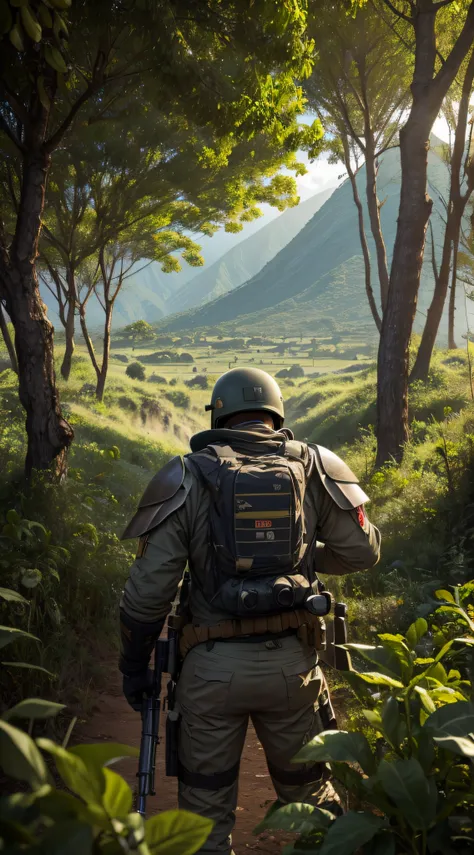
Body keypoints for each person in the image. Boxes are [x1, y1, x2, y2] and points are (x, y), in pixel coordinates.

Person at [119, 367, 381, 854]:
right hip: (292, 669)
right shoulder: (315, 465)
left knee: (204, 821)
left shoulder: (188, 473)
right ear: (275, 411)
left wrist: (135, 667)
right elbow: (362, 553)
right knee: (312, 805)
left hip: (210, 674)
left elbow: (148, 593)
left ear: (219, 413)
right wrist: (303, 557)